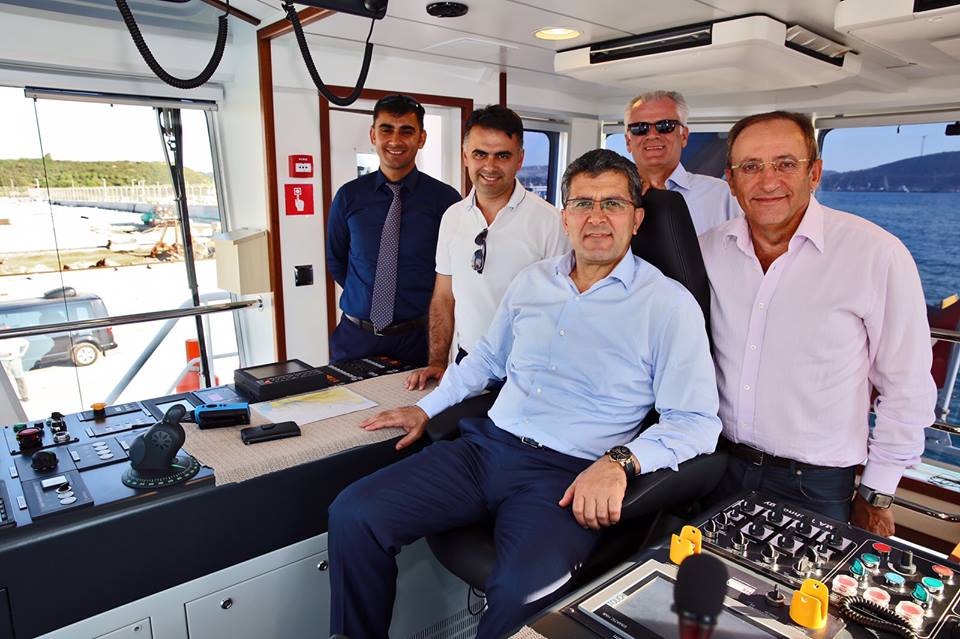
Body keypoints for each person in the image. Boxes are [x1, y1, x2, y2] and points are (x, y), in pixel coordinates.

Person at [328, 149, 721, 639]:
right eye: (582, 203)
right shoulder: (533, 281)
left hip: (568, 476)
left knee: (521, 593)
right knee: (354, 513)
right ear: (565, 217)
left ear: (637, 219)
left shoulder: (668, 305)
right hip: (486, 449)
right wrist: (425, 409)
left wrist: (620, 462)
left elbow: (697, 422)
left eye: (613, 204)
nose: (596, 217)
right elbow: (486, 361)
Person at [699, 111, 936, 536]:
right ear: (731, 181)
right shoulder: (708, 251)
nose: (768, 181)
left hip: (814, 484)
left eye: (785, 164)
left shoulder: (875, 254)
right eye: (750, 167)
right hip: (718, 467)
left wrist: (877, 493)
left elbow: (907, 386)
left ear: (815, 173)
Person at [405, 105, 569, 390]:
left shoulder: (551, 221)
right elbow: (444, 297)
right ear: (465, 156)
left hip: (526, 373)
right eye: (480, 154)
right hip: (466, 366)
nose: (490, 167)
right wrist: (438, 363)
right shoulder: (452, 217)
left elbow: (563, 308)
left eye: (502, 155)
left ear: (520, 159)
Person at [326, 94, 461, 366]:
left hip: (417, 340)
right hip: (355, 338)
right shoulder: (349, 196)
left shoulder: (445, 200)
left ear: (421, 139)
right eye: (386, 129)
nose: (395, 141)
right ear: (373, 135)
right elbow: (336, 259)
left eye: (406, 131)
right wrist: (367, 295)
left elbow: (454, 270)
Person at [624, 90, 740, 235]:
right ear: (628, 141)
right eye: (640, 128)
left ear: (684, 136)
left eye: (665, 126)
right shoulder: (610, 197)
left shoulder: (723, 196)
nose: (652, 135)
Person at [0, 327, 30, 402]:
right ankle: (7, 398)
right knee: (4, 381)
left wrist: (22, 353)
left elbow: (26, 343)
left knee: (20, 377)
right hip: (2, 361)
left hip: (15, 360)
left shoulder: (16, 338)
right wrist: (3, 354)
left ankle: (24, 396)